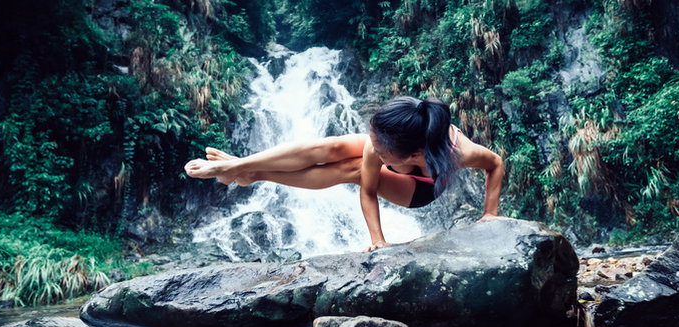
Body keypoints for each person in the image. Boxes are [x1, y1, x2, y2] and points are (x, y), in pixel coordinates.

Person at [185, 96, 505, 251]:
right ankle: (241, 167)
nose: (372, 149)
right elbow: (368, 188)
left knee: (352, 169)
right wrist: (377, 240)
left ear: (412, 154)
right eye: (373, 140)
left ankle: (255, 173)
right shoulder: (380, 144)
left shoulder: (458, 152)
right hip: (406, 163)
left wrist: (490, 215)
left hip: (422, 189)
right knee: (334, 147)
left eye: (380, 150)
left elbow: (496, 164)